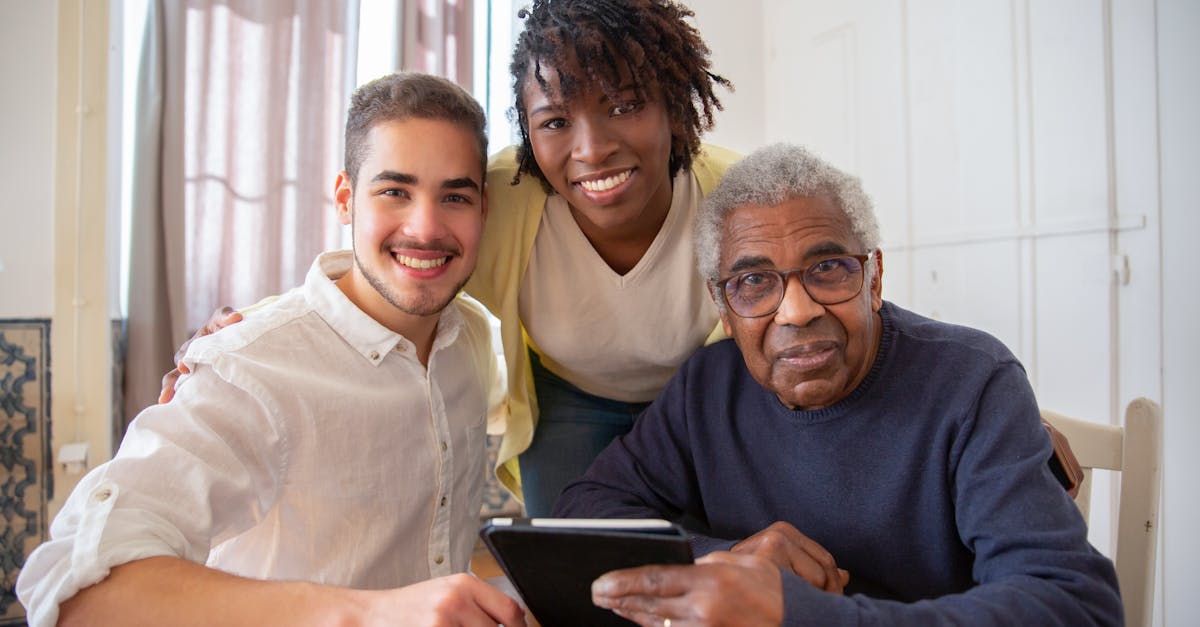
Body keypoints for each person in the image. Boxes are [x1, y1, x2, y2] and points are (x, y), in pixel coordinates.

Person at [160, 0, 741, 516]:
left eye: (624, 105)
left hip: (708, 393)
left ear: (675, 106)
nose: (590, 148)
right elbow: (387, 260)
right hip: (573, 398)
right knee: (577, 568)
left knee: (723, 546)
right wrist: (244, 331)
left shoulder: (742, 200)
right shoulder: (501, 198)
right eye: (556, 122)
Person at [16, 73, 527, 627]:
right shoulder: (248, 367)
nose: (425, 228)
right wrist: (368, 613)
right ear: (346, 200)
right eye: (394, 191)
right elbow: (74, 588)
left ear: (484, 213)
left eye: (454, 196)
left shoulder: (473, 336)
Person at [554, 143, 1124, 626]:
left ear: (874, 278)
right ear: (723, 308)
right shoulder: (708, 386)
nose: (797, 311)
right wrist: (727, 558)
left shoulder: (971, 381)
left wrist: (796, 613)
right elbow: (585, 509)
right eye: (754, 281)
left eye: (828, 269)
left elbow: (1074, 603)